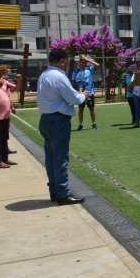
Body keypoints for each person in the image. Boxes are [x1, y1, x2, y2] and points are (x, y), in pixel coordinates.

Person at [37, 48, 90, 205]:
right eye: (66, 61)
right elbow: (73, 98)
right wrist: (83, 96)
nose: (66, 64)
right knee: (60, 158)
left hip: (46, 118)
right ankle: (63, 193)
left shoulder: (44, 75)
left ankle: (55, 190)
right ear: (61, 61)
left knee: (51, 158)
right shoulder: (59, 76)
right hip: (58, 120)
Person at [72, 55, 100, 130]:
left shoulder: (89, 70)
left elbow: (98, 65)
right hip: (80, 94)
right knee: (81, 109)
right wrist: (77, 91)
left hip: (90, 93)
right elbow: (73, 83)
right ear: (79, 63)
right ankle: (80, 125)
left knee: (91, 108)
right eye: (82, 62)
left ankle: (94, 124)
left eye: (85, 62)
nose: (84, 63)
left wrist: (88, 59)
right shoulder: (75, 72)